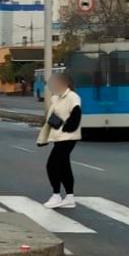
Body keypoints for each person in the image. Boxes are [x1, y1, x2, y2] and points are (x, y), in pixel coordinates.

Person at [37, 72, 82, 208]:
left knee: (52, 165)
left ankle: (56, 195)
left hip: (68, 137)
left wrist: (67, 128)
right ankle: (69, 197)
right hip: (59, 136)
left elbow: (76, 113)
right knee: (64, 166)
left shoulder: (72, 97)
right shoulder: (56, 98)